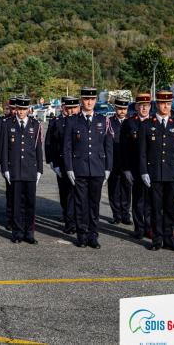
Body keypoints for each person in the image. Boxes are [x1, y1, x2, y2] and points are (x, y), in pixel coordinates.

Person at [63, 87, 113, 249]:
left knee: (94, 204)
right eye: (86, 99)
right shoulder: (72, 121)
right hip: (79, 169)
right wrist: (69, 168)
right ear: (81, 101)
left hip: (98, 168)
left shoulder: (103, 120)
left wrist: (108, 168)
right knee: (80, 204)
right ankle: (82, 235)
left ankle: (93, 235)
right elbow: (67, 148)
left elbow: (108, 146)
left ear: (95, 101)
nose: (89, 102)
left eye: (92, 99)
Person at [139, 90, 174, 252]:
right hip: (154, 174)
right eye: (162, 103)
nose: (165, 106)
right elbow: (142, 152)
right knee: (155, 208)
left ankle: (170, 239)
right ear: (157, 104)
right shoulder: (147, 124)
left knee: (169, 209)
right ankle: (157, 239)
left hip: (172, 174)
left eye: (168, 103)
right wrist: (144, 171)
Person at [1, 96, 43, 244]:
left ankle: (29, 232)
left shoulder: (35, 125)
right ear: (16, 109)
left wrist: (40, 170)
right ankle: (17, 232)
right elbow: (4, 148)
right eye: (19, 109)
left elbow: (38, 149)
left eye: (24, 109)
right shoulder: (8, 125)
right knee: (17, 204)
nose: (21, 112)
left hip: (30, 171)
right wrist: (5, 168)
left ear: (29, 109)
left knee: (30, 204)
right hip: (15, 171)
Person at [45, 96, 79, 234]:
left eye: (71, 107)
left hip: (77, 163)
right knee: (65, 194)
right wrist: (52, 163)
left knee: (76, 194)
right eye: (65, 107)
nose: (68, 110)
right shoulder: (56, 121)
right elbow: (49, 143)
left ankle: (74, 222)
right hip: (61, 164)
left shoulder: (79, 120)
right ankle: (68, 217)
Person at [121, 93, 152, 240]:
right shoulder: (129, 123)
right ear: (137, 107)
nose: (144, 108)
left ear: (150, 107)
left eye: (146, 106)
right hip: (134, 167)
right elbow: (124, 147)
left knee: (151, 200)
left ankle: (149, 227)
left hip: (151, 168)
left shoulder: (154, 122)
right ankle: (139, 228)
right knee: (138, 199)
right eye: (141, 106)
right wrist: (126, 168)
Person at [107, 97, 132, 225]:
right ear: (115, 108)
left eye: (124, 109)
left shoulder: (131, 122)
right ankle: (116, 215)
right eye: (120, 108)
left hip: (127, 162)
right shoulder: (109, 122)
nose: (122, 111)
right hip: (113, 160)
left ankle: (126, 214)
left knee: (127, 188)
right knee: (114, 188)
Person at [0, 97, 16, 230]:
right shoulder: (2, 122)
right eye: (12, 108)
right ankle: (11, 219)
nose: (14, 111)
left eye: (16, 108)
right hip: (8, 163)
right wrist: (0, 164)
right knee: (11, 194)